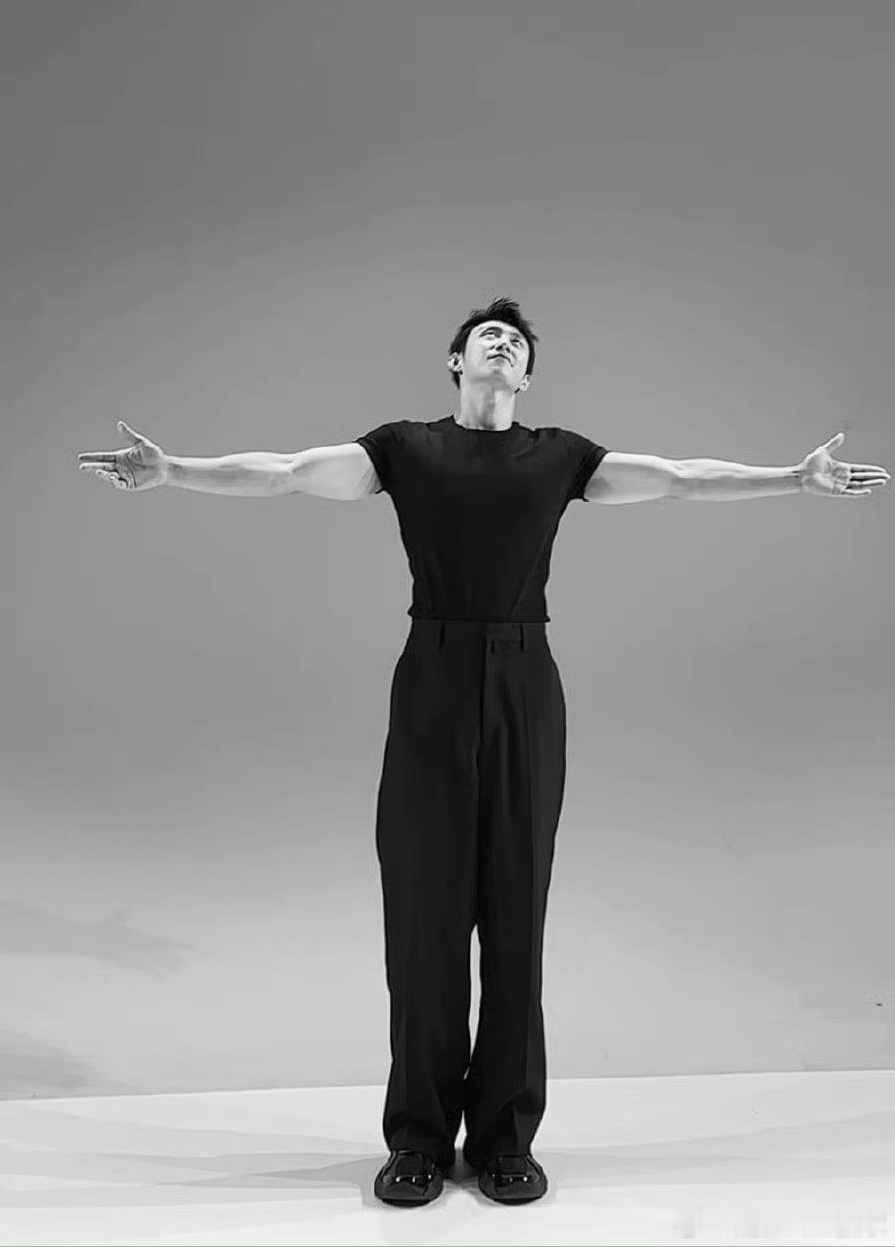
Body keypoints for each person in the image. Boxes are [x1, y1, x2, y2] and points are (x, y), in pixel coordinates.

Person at [78, 295, 889, 1207]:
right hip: (431, 675)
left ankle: (506, 1138)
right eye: (484, 336)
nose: (500, 343)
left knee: (515, 915)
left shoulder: (561, 457)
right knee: (423, 916)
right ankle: (419, 1140)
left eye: (515, 341)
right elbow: (287, 472)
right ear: (456, 364)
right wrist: (174, 470)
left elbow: (682, 479)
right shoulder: (405, 449)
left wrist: (795, 479)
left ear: (527, 376)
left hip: (525, 683)